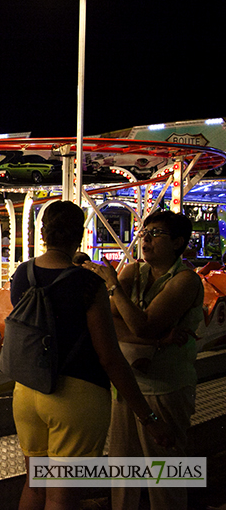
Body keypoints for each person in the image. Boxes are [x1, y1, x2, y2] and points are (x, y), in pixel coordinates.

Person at [10, 201, 173, 510]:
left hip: (27, 392)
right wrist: (149, 418)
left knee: (35, 486)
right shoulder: (87, 283)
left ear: (43, 232)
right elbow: (110, 358)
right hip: (76, 399)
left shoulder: (22, 274)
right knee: (62, 496)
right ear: (80, 233)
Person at [84, 210, 204, 510]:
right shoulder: (133, 272)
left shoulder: (185, 280)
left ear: (178, 243)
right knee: (123, 471)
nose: (146, 239)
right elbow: (113, 324)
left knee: (165, 474)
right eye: (144, 232)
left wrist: (113, 286)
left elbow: (141, 325)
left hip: (166, 388)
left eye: (156, 233)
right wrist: (159, 339)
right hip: (127, 385)